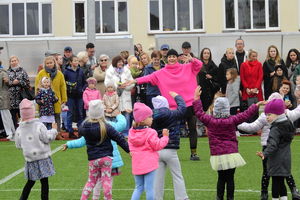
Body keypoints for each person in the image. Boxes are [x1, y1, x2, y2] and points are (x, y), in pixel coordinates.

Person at [124, 49, 203, 160]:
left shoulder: (187, 67)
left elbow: (199, 64)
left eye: (174, 56)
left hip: (189, 103)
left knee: (192, 127)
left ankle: (193, 153)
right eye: (169, 56)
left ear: (177, 58)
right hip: (172, 107)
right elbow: (147, 78)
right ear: (166, 59)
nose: (171, 58)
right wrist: (133, 81)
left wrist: (192, 59)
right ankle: (165, 150)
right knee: (169, 129)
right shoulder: (161, 72)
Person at [193, 86, 262, 200]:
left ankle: (219, 197)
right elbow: (246, 114)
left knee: (221, 178)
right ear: (227, 108)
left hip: (218, 154)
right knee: (230, 178)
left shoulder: (211, 121)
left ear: (215, 109)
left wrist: (196, 98)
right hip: (231, 153)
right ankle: (230, 198)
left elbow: (199, 113)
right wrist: (256, 105)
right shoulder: (232, 120)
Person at [238, 92, 300, 200]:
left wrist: (236, 123)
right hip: (285, 153)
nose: (267, 117)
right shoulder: (287, 117)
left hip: (270, 150)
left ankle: (266, 192)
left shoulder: (275, 125)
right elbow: (297, 113)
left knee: (272, 175)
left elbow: (253, 128)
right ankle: (292, 190)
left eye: (269, 115)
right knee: (284, 174)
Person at [62, 102, 127, 200]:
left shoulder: (85, 128)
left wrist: (68, 144)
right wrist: (119, 115)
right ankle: (108, 198)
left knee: (91, 181)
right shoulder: (108, 126)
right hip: (106, 159)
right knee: (106, 181)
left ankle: (85, 198)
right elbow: (120, 136)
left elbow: (81, 141)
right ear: (102, 112)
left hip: (93, 160)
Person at [15, 99, 57, 200]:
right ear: (33, 112)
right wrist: (54, 130)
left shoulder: (19, 129)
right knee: (44, 181)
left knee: (30, 182)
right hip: (43, 158)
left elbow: (18, 145)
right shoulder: (39, 125)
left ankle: (22, 198)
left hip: (30, 160)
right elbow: (47, 138)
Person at [152, 94, 189, 200]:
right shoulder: (173, 114)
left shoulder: (151, 116)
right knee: (177, 175)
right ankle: (181, 197)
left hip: (157, 149)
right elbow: (183, 108)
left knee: (157, 178)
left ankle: (156, 197)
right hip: (171, 149)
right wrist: (177, 96)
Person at [129, 102, 169, 200]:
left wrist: (131, 152)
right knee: (150, 188)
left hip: (137, 163)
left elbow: (130, 145)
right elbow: (158, 146)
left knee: (138, 187)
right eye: (150, 116)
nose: (152, 118)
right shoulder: (150, 132)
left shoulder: (131, 132)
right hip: (149, 164)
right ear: (143, 119)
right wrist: (165, 137)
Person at [256, 99, 294, 200]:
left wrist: (265, 153)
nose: (267, 117)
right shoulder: (288, 124)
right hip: (286, 159)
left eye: (269, 114)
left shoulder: (275, 129)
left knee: (276, 183)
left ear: (277, 114)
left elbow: (272, 145)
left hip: (276, 160)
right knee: (281, 182)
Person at [35, 56, 67, 140]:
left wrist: (64, 99)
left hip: (56, 99)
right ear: (44, 64)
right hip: (44, 102)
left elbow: (63, 87)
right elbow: (37, 86)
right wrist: (38, 99)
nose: (49, 65)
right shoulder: (41, 73)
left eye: (51, 63)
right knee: (44, 118)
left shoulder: (59, 74)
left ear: (54, 63)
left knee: (57, 116)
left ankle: (57, 133)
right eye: (47, 63)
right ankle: (44, 134)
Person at [105, 55, 135, 137]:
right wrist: (116, 86)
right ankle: (116, 133)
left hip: (125, 95)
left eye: (122, 62)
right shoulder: (110, 71)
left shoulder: (127, 71)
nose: (121, 63)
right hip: (114, 96)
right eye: (119, 62)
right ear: (115, 63)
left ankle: (126, 133)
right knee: (116, 114)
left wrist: (126, 85)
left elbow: (132, 82)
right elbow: (107, 83)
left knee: (126, 114)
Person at [64, 56, 85, 138]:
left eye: (77, 61)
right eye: (75, 61)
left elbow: (85, 82)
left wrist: (82, 89)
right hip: (70, 96)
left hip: (79, 96)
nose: (76, 62)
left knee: (80, 113)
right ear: (70, 62)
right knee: (70, 113)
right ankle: (70, 131)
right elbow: (64, 83)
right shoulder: (66, 72)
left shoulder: (81, 71)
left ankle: (80, 131)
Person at [7, 55, 30, 128]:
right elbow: (5, 83)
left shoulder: (23, 71)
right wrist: (12, 83)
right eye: (12, 61)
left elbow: (27, 83)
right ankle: (15, 130)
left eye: (15, 60)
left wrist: (19, 82)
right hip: (11, 98)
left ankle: (24, 129)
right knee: (13, 115)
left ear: (18, 61)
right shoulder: (7, 72)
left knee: (22, 114)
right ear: (10, 62)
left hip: (21, 97)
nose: (13, 62)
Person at [197, 48, 219, 112]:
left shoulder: (214, 66)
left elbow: (218, 77)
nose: (206, 55)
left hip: (211, 90)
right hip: (201, 89)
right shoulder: (199, 64)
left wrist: (211, 77)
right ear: (202, 54)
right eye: (205, 53)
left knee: (209, 108)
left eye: (208, 53)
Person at [0, 65, 15, 139]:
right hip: (2, 97)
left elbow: (8, 83)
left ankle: (10, 132)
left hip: (3, 97)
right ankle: (12, 132)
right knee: (7, 115)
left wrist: (7, 81)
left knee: (6, 115)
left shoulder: (3, 73)